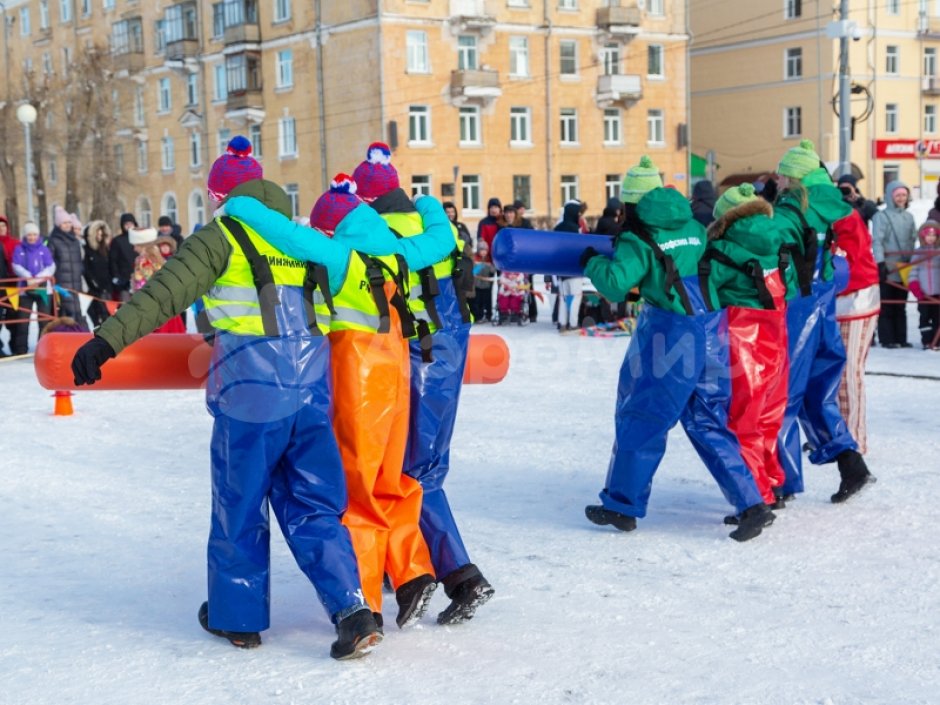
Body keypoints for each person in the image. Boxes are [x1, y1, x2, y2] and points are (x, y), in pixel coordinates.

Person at [70, 137, 385, 660]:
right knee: (315, 504)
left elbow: (164, 293)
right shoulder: (303, 239)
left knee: (239, 505)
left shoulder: (223, 235)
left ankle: (238, 619)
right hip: (311, 392)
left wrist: (105, 341)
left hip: (251, 395)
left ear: (220, 196)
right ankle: (353, 611)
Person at [222, 143, 476, 625]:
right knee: (394, 482)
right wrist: (425, 202)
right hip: (398, 377)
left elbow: (289, 236)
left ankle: (368, 607)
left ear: (334, 230)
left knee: (357, 490)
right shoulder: (401, 254)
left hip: (361, 382)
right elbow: (442, 237)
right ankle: (413, 572)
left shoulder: (341, 258)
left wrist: (241, 205)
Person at [580, 163, 773, 542]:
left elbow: (616, 285)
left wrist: (592, 260)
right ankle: (752, 504)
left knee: (642, 415)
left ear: (630, 203)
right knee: (708, 421)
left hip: (670, 332)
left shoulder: (639, 237)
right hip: (712, 328)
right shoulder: (692, 226)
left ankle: (621, 506)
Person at [350, 143, 493, 625]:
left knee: (411, 473)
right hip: (449, 355)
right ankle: (409, 567)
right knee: (426, 466)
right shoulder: (437, 227)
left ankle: (460, 576)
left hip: (414, 359)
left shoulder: (375, 235)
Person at [772, 140, 875, 503]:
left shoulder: (792, 211)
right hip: (824, 308)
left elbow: (767, 252)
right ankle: (852, 465)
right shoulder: (832, 209)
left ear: (794, 179)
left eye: (782, 175)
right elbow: (839, 261)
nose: (777, 181)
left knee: (782, 397)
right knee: (819, 394)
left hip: (799, 312)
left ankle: (780, 483)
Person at [705, 183, 795, 511]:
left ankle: (758, 495)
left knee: (743, 420)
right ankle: (774, 482)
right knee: (770, 415)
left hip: (741, 338)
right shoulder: (778, 241)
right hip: (777, 335)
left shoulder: (720, 250)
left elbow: (705, 292)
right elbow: (791, 288)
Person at [831, 205, 880, 454]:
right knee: (829, 372)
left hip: (855, 298)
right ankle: (836, 433)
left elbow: (849, 257)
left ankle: (853, 439)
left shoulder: (842, 214)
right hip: (832, 300)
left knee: (848, 371)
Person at [872, 181, 916, 348]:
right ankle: (887, 338)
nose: (901, 198)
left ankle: (901, 337)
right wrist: (880, 262)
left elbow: (912, 240)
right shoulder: (881, 217)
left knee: (901, 304)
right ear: (890, 196)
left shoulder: (909, 217)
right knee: (887, 304)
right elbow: (877, 241)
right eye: (897, 195)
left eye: (904, 195)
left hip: (904, 267)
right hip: (888, 267)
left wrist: (913, 261)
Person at [10, 222, 56, 355]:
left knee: (44, 320)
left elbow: (51, 266)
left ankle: (44, 348)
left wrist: (39, 278)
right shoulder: (19, 248)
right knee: (23, 321)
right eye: (29, 235)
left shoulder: (44, 249)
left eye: (34, 234)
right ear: (25, 235)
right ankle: (21, 350)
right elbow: (16, 265)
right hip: (25, 289)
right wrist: (28, 276)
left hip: (43, 289)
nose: (32, 237)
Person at [45, 206, 86, 328]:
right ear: (58, 225)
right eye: (64, 223)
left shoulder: (75, 241)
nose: (67, 225)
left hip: (75, 284)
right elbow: (50, 262)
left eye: (69, 222)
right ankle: (69, 334)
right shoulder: (53, 240)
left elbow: (79, 262)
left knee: (77, 312)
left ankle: (76, 334)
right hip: (61, 284)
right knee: (69, 312)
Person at [908, 220, 940, 350]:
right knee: (925, 317)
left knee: (938, 317)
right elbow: (913, 271)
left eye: (934, 235)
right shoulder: (918, 253)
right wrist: (915, 287)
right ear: (922, 236)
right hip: (924, 293)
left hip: (937, 293)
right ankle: (927, 341)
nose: (931, 238)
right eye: (928, 235)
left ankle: (937, 342)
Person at [555, 200, 585, 331]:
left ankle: (562, 323)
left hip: (561, 269)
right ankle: (573, 324)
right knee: (576, 297)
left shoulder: (557, 228)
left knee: (563, 298)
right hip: (574, 268)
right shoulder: (575, 228)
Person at [82, 220, 112, 329]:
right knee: (95, 313)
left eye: (101, 235)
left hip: (106, 286)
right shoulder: (87, 250)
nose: (99, 237)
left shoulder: (105, 249)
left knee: (107, 311)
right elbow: (86, 269)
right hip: (93, 287)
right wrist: (93, 283)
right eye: (97, 234)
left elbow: (109, 267)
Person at [109, 213, 138, 302]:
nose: (129, 226)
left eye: (131, 224)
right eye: (126, 224)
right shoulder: (117, 241)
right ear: (122, 225)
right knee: (126, 304)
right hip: (124, 280)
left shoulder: (139, 239)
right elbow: (113, 261)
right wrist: (116, 276)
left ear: (134, 224)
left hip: (139, 279)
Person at [471, 240, 496, 323]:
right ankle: (478, 316)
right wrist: (481, 265)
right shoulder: (475, 259)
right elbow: (474, 272)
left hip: (486, 285)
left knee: (487, 300)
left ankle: (488, 315)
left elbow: (493, 271)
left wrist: (490, 266)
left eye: (485, 250)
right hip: (477, 284)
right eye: (482, 250)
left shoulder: (489, 259)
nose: (484, 252)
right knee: (477, 301)